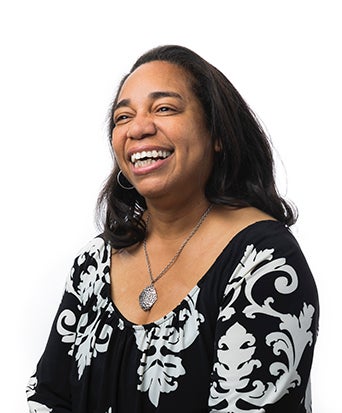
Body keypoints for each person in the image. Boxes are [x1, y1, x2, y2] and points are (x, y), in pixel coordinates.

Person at [26, 45, 319, 413]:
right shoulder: (93, 262)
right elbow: (50, 399)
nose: (138, 128)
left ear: (218, 134)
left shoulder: (264, 260)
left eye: (164, 108)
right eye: (122, 117)